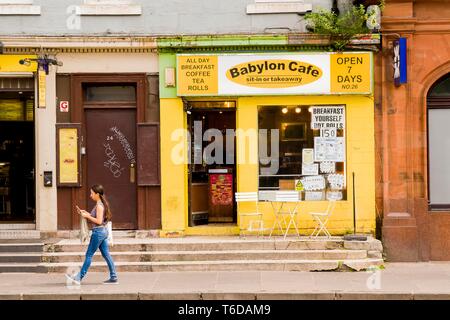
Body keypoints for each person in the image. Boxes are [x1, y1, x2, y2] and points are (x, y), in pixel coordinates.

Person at [66, 184, 118, 285]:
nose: (90, 195)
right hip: (102, 232)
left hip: (98, 232)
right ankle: (113, 277)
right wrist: (85, 213)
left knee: (89, 254)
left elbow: (98, 221)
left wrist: (87, 216)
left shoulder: (99, 206)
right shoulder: (100, 204)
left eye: (92, 193)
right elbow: (98, 219)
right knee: (106, 255)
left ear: (97, 194)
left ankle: (78, 277)